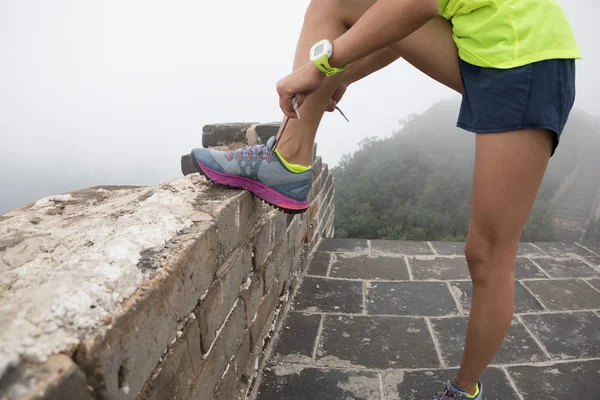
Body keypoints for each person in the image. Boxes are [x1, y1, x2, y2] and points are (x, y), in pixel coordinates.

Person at [191, 0, 581, 398]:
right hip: (484, 45)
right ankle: (287, 160)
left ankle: (464, 390)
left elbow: (413, 5)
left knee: (488, 254)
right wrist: (340, 72)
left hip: (529, 60)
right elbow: (395, 29)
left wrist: (321, 68)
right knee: (331, 5)